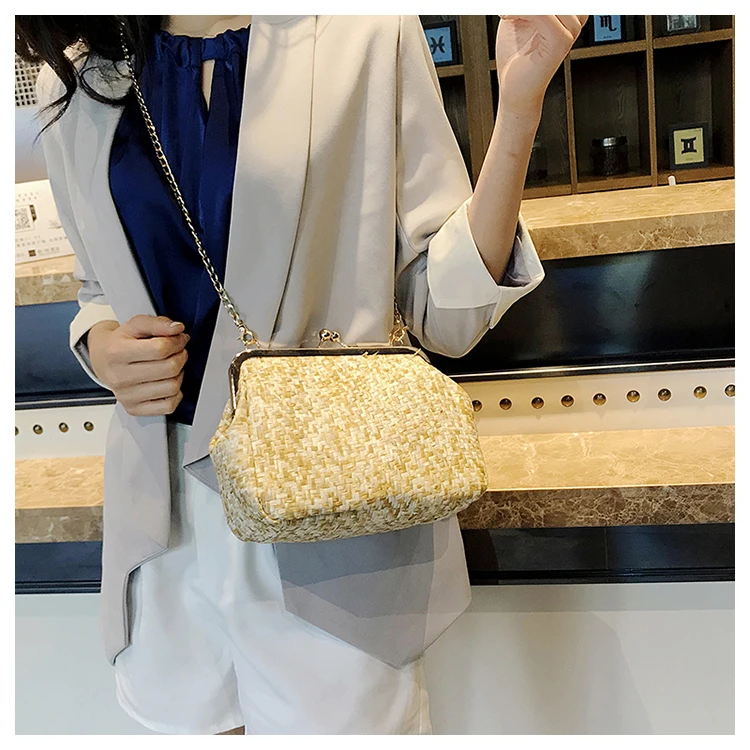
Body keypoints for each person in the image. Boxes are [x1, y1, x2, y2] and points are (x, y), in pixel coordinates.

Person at [16, 14, 586, 735]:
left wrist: (520, 107)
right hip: (162, 525)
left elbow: (443, 312)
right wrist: (101, 346)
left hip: (328, 514)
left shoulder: (364, 30)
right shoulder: (77, 70)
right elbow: (97, 285)